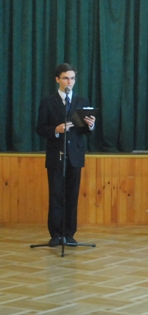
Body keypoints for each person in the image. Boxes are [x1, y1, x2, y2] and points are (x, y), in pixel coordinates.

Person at [36, 63, 96, 246]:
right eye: (65, 78)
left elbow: (84, 130)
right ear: (57, 80)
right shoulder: (48, 101)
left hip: (75, 155)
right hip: (56, 154)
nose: (69, 82)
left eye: (72, 78)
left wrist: (91, 125)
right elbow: (40, 128)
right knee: (56, 195)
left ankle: (69, 234)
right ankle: (55, 234)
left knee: (72, 195)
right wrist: (56, 130)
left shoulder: (82, 101)